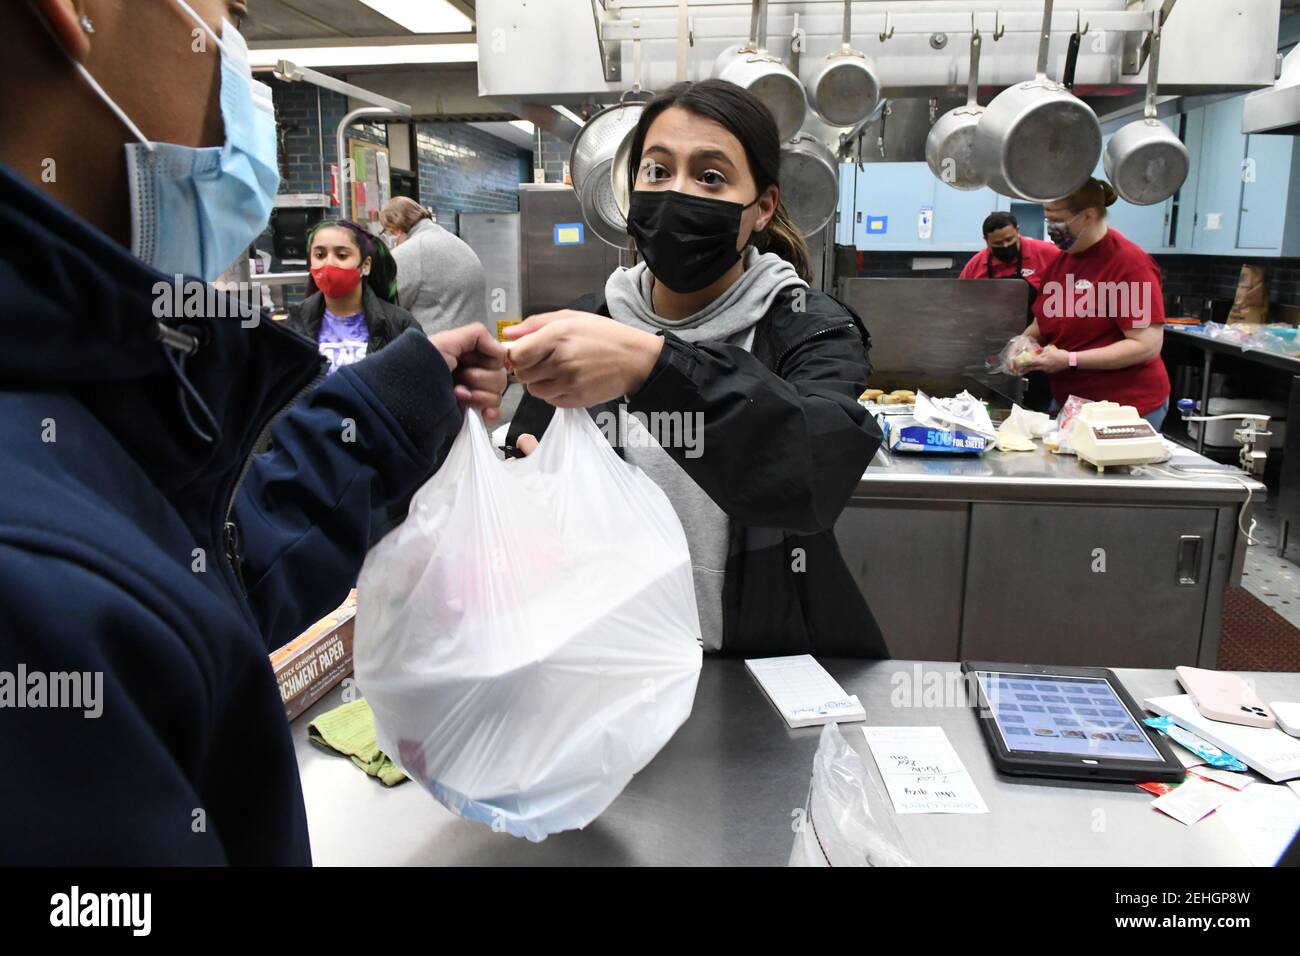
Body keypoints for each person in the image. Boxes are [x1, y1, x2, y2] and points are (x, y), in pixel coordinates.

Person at [0, 0, 506, 864]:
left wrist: (390, 409)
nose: (236, 56)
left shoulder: (72, 390)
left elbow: (201, 577)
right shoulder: (34, 587)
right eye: (224, 14)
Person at [504, 79, 888, 659]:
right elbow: (530, 471)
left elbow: (810, 471)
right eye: (657, 171)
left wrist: (650, 366)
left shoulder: (808, 326)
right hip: (618, 659)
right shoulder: (588, 322)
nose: (677, 192)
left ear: (761, 208)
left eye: (710, 176)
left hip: (760, 664)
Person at [1022, 178, 1171, 430]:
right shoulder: (1061, 263)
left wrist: (1070, 359)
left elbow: (1146, 345)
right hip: (1074, 405)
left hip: (1125, 408)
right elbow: (1043, 321)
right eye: (1047, 220)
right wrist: (1022, 345)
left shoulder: (1129, 264)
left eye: (1057, 220)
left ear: (1088, 215)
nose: (1050, 228)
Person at [285, 219, 419, 375]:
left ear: (365, 265)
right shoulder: (296, 322)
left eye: (342, 255)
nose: (329, 264)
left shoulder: (399, 323)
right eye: (320, 255)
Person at [379, 196, 490, 337]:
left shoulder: (411, 251)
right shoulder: (452, 241)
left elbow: (383, 306)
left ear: (395, 230)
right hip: (477, 343)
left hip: (442, 350)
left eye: (387, 234)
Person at [958, 211, 1061, 307]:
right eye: (998, 243)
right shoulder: (975, 266)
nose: (1005, 245)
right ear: (986, 240)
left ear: (1017, 231)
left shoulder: (1047, 253)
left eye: (1009, 239)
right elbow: (959, 300)